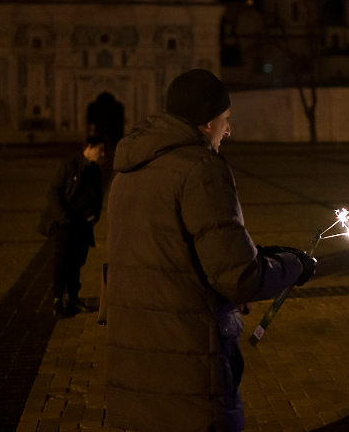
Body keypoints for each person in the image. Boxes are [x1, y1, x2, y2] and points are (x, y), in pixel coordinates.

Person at [104, 69, 316, 432]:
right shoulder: (201, 168)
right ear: (206, 121)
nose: (229, 131)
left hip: (133, 359)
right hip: (188, 363)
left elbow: (171, 258)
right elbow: (241, 278)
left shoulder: (128, 171)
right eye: (226, 120)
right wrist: (294, 266)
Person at [43, 135, 106, 318]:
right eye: (100, 150)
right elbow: (53, 191)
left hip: (84, 223)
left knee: (78, 260)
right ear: (89, 147)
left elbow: (98, 195)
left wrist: (95, 216)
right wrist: (63, 218)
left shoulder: (94, 170)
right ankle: (58, 300)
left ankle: (73, 298)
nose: (103, 154)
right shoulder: (69, 164)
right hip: (67, 222)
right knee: (63, 261)